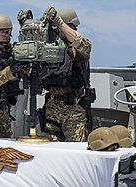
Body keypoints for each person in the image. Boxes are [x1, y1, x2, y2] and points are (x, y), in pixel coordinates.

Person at [41, 6, 93, 142]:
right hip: (53, 105)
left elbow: (82, 44)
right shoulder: (49, 48)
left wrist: (59, 22)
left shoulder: (80, 46)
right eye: (72, 26)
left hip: (74, 108)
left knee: (77, 149)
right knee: (51, 149)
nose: (73, 30)